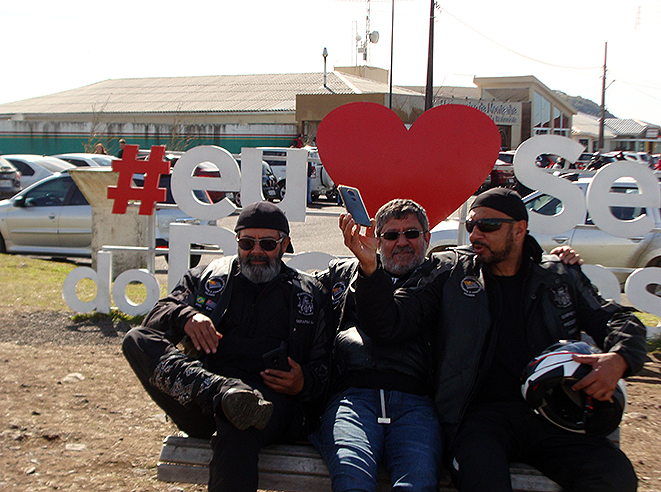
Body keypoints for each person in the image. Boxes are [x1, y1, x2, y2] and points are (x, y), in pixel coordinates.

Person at [344, 187, 647, 492]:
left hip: (553, 413)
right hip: (478, 419)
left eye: (488, 226)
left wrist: (619, 358)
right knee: (482, 478)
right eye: (471, 226)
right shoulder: (451, 272)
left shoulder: (559, 278)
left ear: (519, 229)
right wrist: (370, 269)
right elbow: (390, 323)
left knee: (614, 476)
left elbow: (619, 320)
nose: (476, 235)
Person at [122, 201, 330, 492]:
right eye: (247, 243)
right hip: (201, 397)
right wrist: (186, 316)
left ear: (284, 245)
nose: (256, 251)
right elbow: (155, 320)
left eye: (267, 243)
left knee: (240, 420)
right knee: (135, 339)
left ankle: (233, 399)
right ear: (237, 242)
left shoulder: (309, 293)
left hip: (273, 406)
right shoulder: (207, 278)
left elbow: (329, 365)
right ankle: (222, 392)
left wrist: (303, 382)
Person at [311, 199, 444, 492]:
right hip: (353, 398)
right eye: (392, 235)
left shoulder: (438, 276)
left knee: (417, 484)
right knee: (352, 480)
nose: (402, 242)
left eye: (411, 233)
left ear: (427, 238)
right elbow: (297, 290)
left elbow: (389, 324)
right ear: (378, 239)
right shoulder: (344, 273)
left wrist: (370, 269)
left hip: (415, 401)